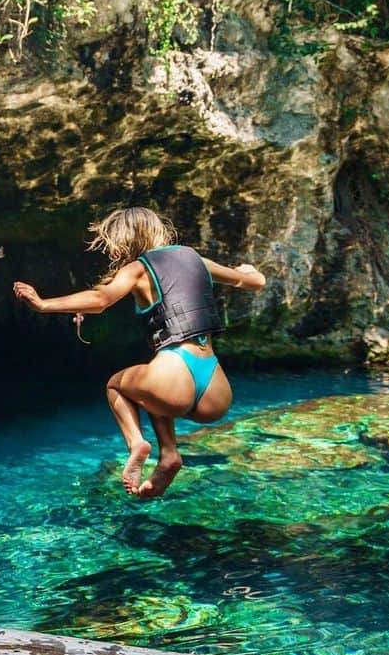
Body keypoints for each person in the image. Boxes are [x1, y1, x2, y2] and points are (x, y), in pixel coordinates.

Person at [13, 207, 265, 500]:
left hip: (172, 375)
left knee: (117, 385)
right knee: (152, 386)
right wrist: (248, 271)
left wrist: (43, 304)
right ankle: (168, 455)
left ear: (126, 240)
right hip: (215, 390)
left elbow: (100, 299)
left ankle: (138, 445)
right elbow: (254, 281)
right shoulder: (197, 259)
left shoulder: (139, 268)